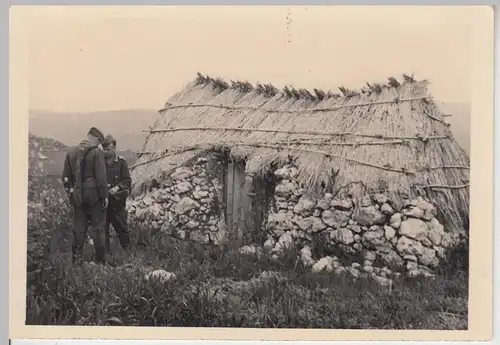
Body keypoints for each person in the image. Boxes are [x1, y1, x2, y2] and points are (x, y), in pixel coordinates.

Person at [62, 127, 108, 264]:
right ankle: (101, 262)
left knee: (79, 230)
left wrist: (71, 194)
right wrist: (104, 196)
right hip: (94, 197)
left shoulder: (71, 152)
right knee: (98, 229)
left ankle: (76, 261)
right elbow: (101, 178)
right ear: (97, 140)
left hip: (78, 198)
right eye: (99, 142)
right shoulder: (97, 153)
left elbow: (65, 177)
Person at [102, 134, 132, 252]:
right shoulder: (99, 163)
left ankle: (128, 252)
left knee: (122, 228)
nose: (105, 152)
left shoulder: (121, 163)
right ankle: (105, 255)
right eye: (104, 149)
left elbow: (127, 180)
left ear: (114, 147)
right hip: (103, 203)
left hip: (117, 203)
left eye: (108, 149)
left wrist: (117, 187)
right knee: (103, 230)